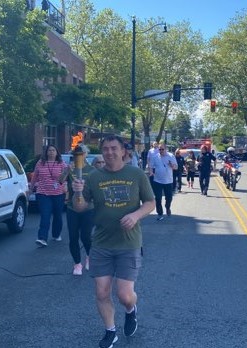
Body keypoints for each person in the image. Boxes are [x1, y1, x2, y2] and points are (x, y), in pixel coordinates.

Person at [71, 135, 155, 348]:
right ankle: (110, 331)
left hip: (128, 243)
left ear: (123, 151)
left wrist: (135, 216)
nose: (109, 152)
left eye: (114, 148)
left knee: (125, 295)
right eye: (105, 149)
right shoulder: (93, 177)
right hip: (101, 243)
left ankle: (130, 310)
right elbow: (80, 207)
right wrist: (77, 193)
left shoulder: (136, 174)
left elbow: (150, 202)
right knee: (101, 292)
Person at [65, 145, 95, 275]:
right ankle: (77, 263)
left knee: (86, 236)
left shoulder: (92, 170)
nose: (79, 155)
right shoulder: (70, 168)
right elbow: (59, 181)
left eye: (81, 153)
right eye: (76, 153)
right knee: (73, 237)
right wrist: (66, 170)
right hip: (72, 208)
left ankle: (89, 255)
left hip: (89, 207)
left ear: (86, 154)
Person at [30, 145, 68, 246]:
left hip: (58, 194)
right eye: (49, 150)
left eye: (53, 150)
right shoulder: (40, 163)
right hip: (43, 193)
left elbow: (65, 177)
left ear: (57, 152)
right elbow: (35, 177)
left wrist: (64, 185)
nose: (51, 152)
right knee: (45, 215)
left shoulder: (61, 163)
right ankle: (42, 238)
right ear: (46, 152)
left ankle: (56, 234)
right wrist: (30, 188)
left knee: (57, 216)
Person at [149, 143, 177, 220]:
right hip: (157, 180)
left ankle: (167, 207)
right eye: (159, 149)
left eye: (162, 149)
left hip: (168, 181)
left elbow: (176, 167)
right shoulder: (155, 157)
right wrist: (151, 172)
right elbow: (151, 166)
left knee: (169, 198)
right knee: (158, 198)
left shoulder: (171, 156)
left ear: (166, 149)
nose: (161, 151)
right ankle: (160, 213)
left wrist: (172, 165)